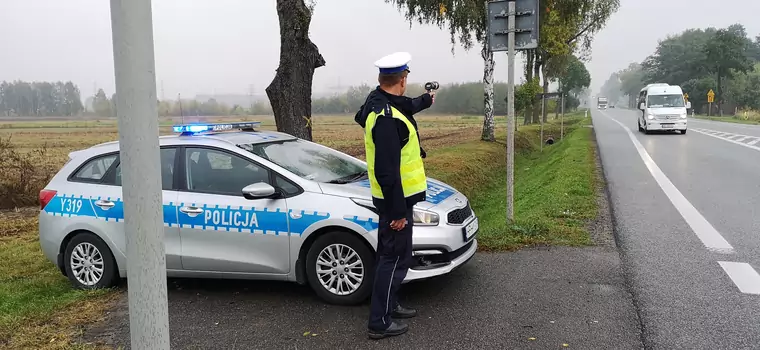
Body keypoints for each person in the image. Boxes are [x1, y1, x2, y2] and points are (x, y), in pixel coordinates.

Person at [353, 52, 435, 340]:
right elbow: (387, 171)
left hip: (400, 199)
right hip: (394, 202)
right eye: (406, 79)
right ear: (402, 80)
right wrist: (398, 212)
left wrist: (425, 101)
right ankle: (379, 322)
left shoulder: (381, 102)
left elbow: (406, 105)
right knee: (389, 258)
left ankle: (391, 305)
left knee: (399, 255)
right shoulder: (386, 118)